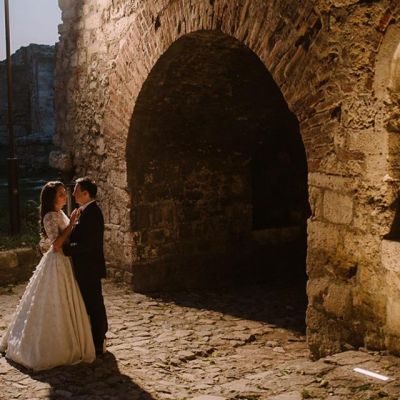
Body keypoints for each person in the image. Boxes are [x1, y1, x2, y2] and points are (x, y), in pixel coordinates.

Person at [0, 181, 95, 371]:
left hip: (66, 261)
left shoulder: (60, 213)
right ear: (52, 198)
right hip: (57, 261)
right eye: (61, 194)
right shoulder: (50, 216)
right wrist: (72, 223)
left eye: (64, 193)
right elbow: (57, 244)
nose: (65, 196)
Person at [63, 177, 108, 356]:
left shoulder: (93, 214)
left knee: (94, 303)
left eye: (76, 190)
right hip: (84, 266)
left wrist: (67, 248)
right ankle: (93, 337)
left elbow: (88, 244)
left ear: (86, 193)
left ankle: (99, 340)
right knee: (89, 303)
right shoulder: (83, 211)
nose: (73, 193)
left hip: (90, 267)